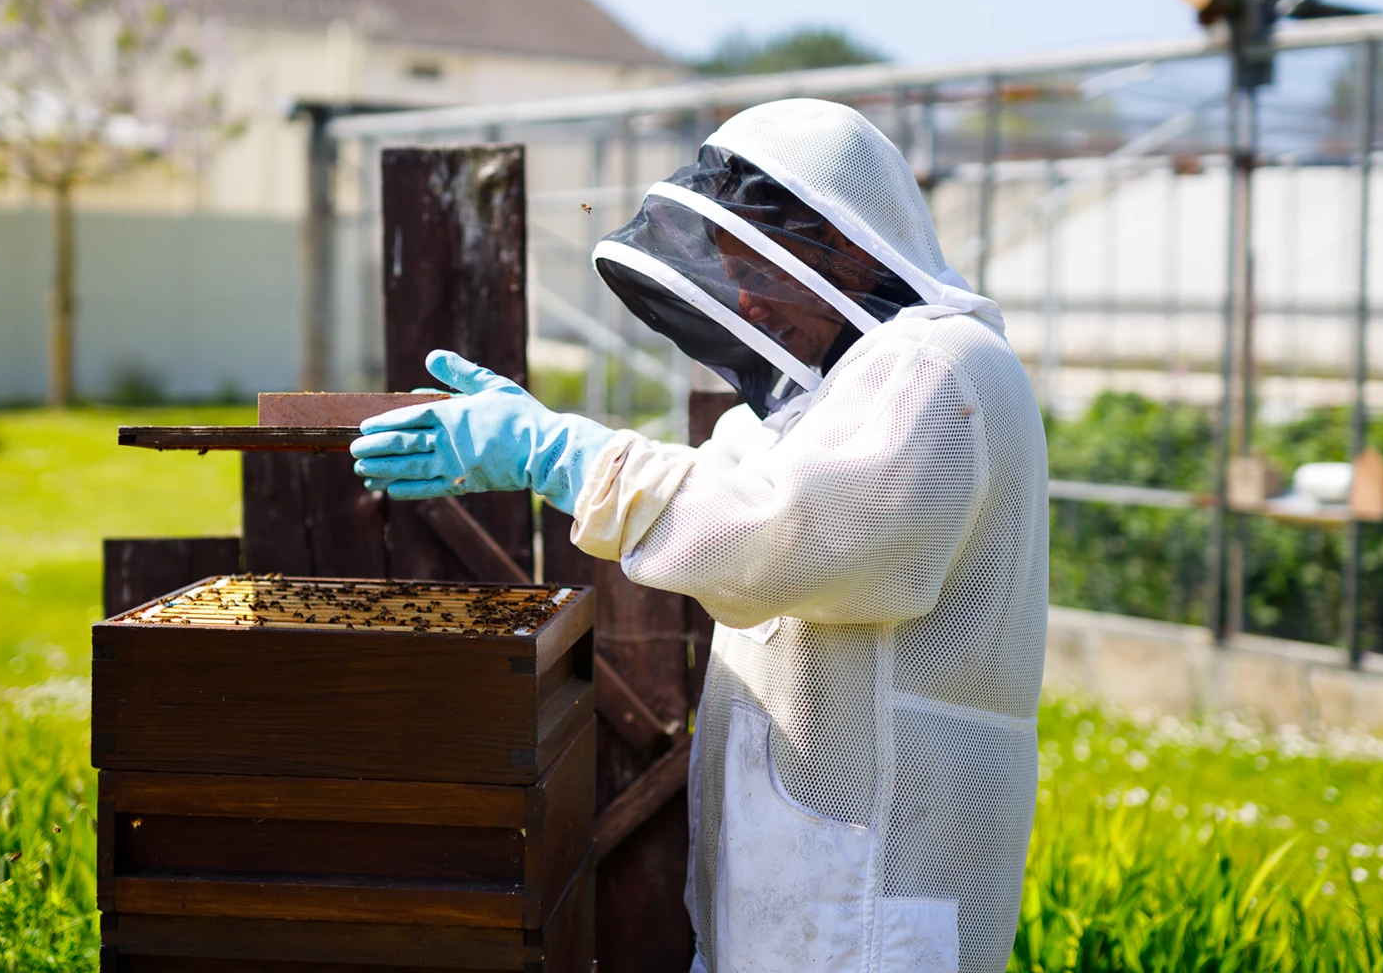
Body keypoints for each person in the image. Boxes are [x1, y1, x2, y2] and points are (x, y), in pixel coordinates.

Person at [353, 98, 1048, 973]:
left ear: (846, 246)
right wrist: (554, 443)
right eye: (731, 269)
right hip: (819, 875)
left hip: (875, 894)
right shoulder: (844, 385)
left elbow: (774, 538)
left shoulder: (937, 368)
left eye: (759, 267)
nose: (747, 301)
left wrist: (559, 453)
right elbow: (730, 487)